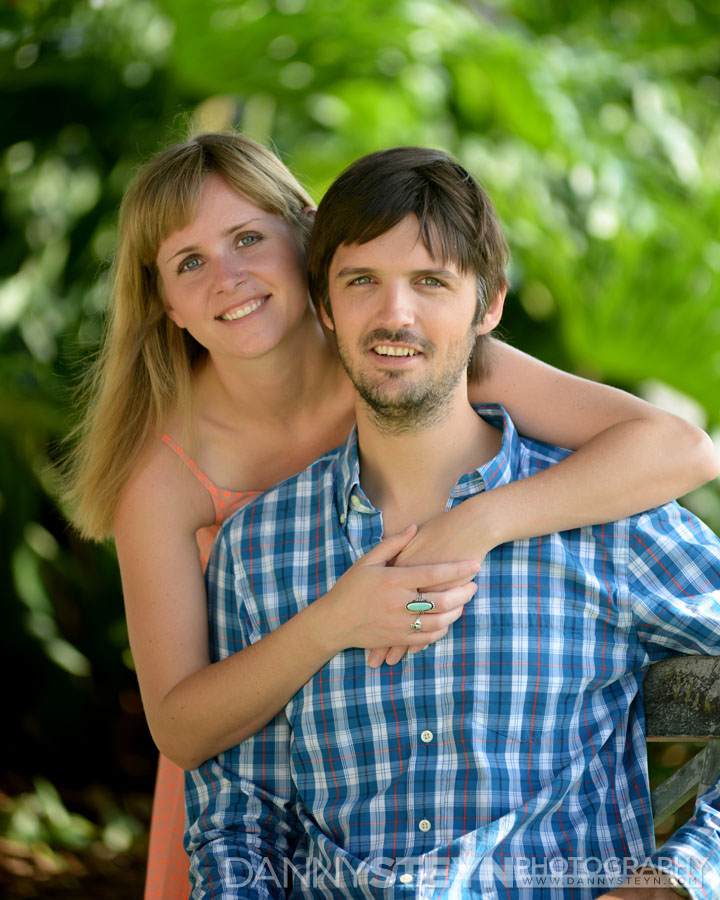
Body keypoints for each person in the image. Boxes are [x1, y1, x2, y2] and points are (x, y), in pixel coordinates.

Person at [58, 133, 718, 900]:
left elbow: (681, 449)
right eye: (189, 262)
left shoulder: (427, 356)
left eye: (247, 239)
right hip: (249, 735)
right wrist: (336, 619)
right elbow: (186, 736)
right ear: (164, 301)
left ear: (304, 239)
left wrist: (476, 523)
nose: (228, 276)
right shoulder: (190, 493)